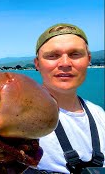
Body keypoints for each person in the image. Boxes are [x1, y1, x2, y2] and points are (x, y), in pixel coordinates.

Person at [26, 23, 105, 173]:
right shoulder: (13, 114)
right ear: (37, 64)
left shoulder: (100, 115)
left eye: (75, 54)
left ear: (88, 59)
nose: (65, 63)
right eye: (52, 56)